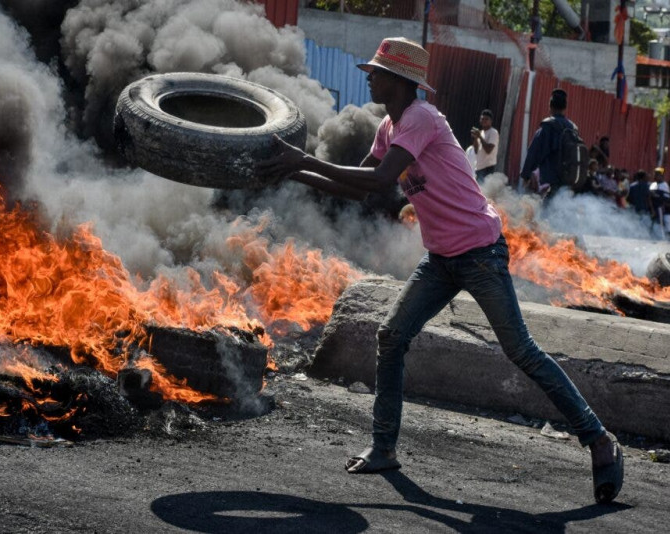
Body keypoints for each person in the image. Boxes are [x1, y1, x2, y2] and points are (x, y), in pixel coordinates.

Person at [258, 37, 623, 504]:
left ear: (401, 81)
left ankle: (598, 440)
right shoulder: (390, 127)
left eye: (377, 71)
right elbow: (360, 189)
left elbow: (381, 179)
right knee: (391, 337)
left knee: (522, 352)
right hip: (441, 259)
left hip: (481, 253)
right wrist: (295, 173)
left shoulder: (422, 119)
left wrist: (302, 160)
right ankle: (384, 447)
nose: (369, 76)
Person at [519, 88, 579, 197]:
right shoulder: (572, 128)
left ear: (550, 105)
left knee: (546, 211)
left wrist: (526, 175)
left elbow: (534, 151)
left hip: (550, 182)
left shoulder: (549, 126)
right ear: (565, 107)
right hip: (568, 182)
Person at [470, 109, 499, 182]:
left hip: (487, 169)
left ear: (491, 121)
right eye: (482, 119)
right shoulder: (481, 132)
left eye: (486, 119)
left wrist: (479, 137)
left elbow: (488, 150)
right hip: (479, 168)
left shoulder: (493, 132)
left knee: (483, 191)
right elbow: (476, 151)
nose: (484, 121)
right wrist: (475, 138)